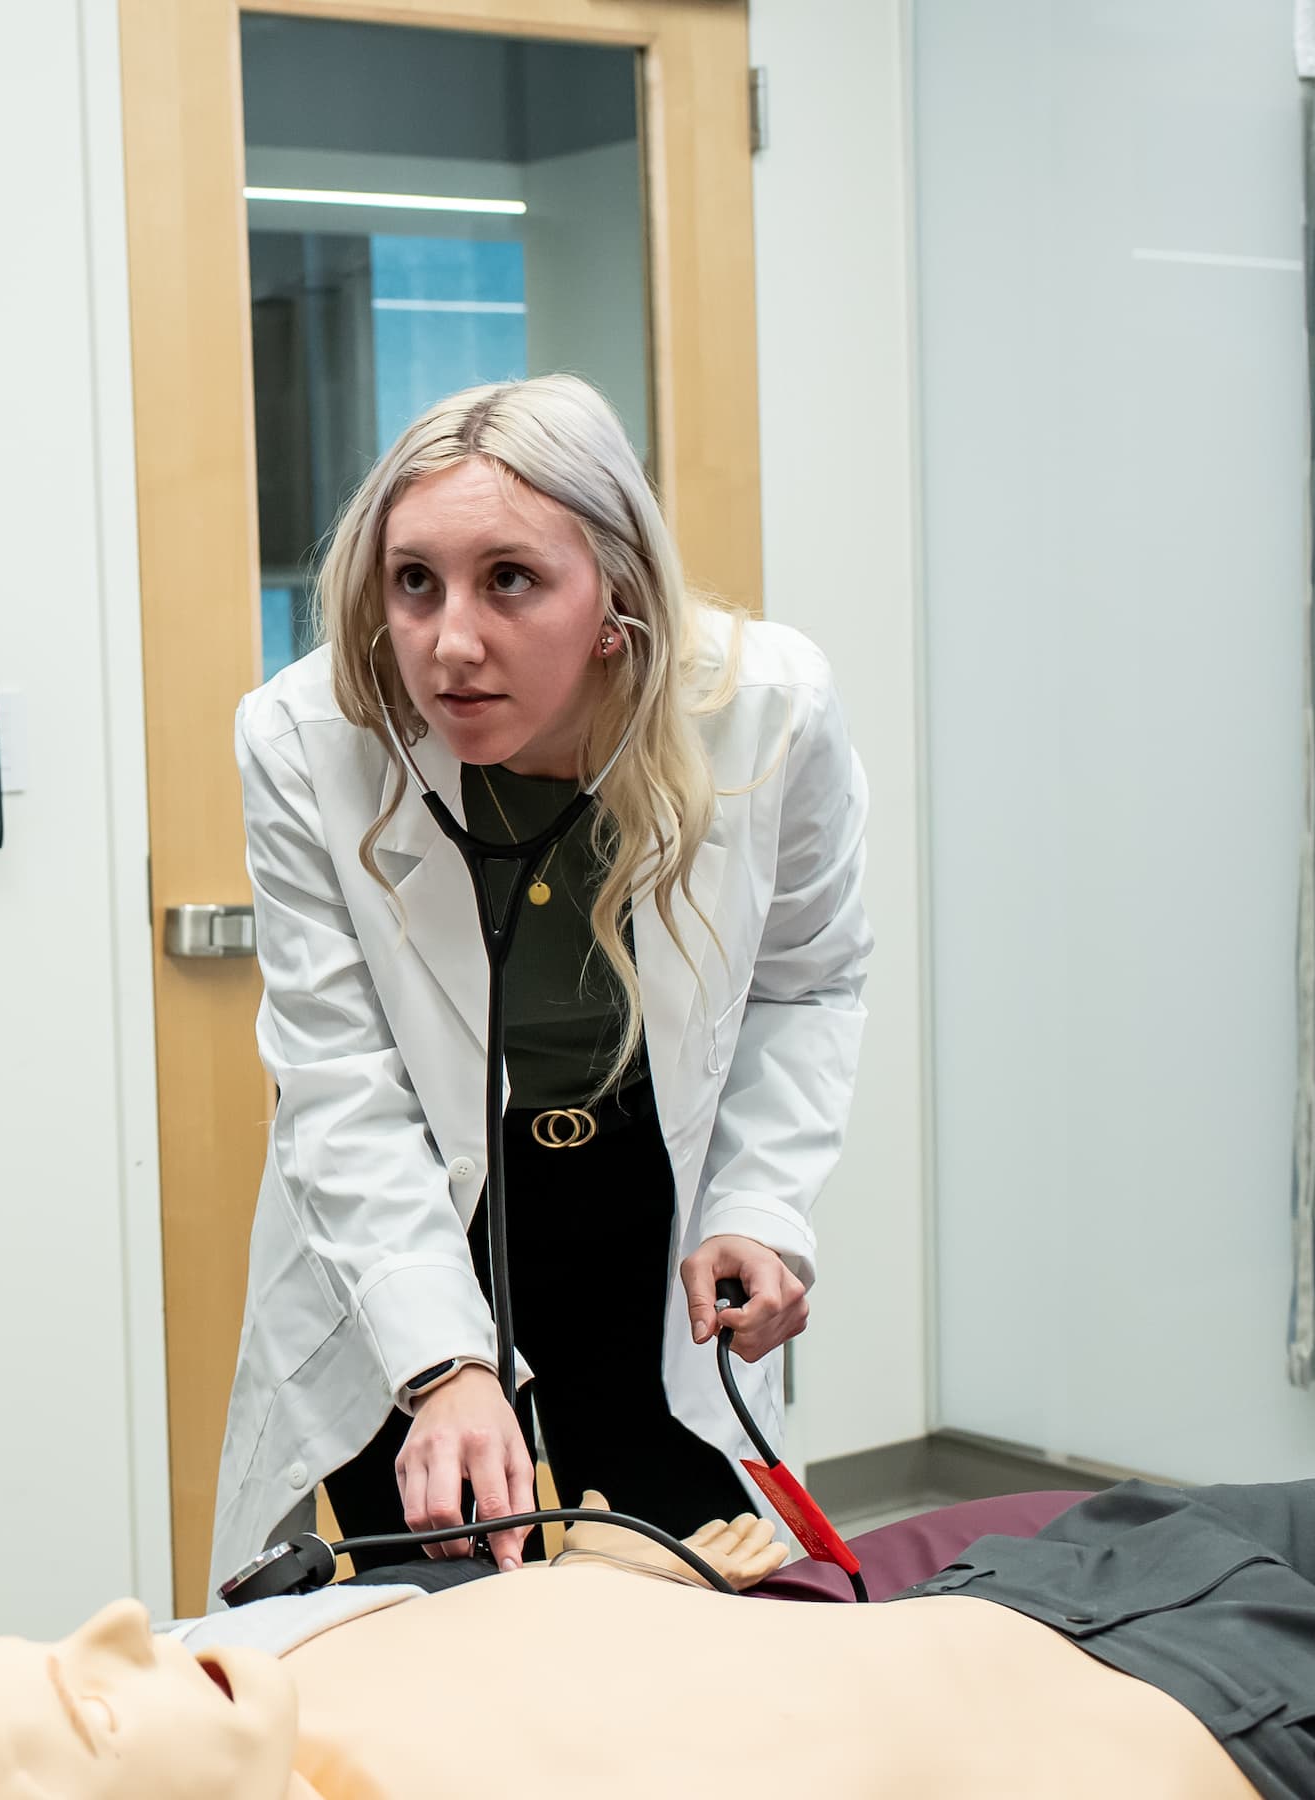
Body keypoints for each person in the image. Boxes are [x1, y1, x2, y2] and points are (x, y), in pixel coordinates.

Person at [216, 374, 872, 1583]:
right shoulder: (309, 738)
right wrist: (443, 1366)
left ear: (613, 592)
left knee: (686, 1590)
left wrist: (757, 1207)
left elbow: (809, 984)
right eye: (412, 581)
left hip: (645, 1201)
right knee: (425, 1605)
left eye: (508, 579)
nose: (448, 640)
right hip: (422, 1207)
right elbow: (340, 1081)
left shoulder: (765, 710)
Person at [0, 1474, 1315, 1800]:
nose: (119, 1630)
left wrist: (660, 1570)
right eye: (82, 1710)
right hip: (1278, 1725)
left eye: (55, 1638)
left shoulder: (280, 1680)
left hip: (1067, 1574)